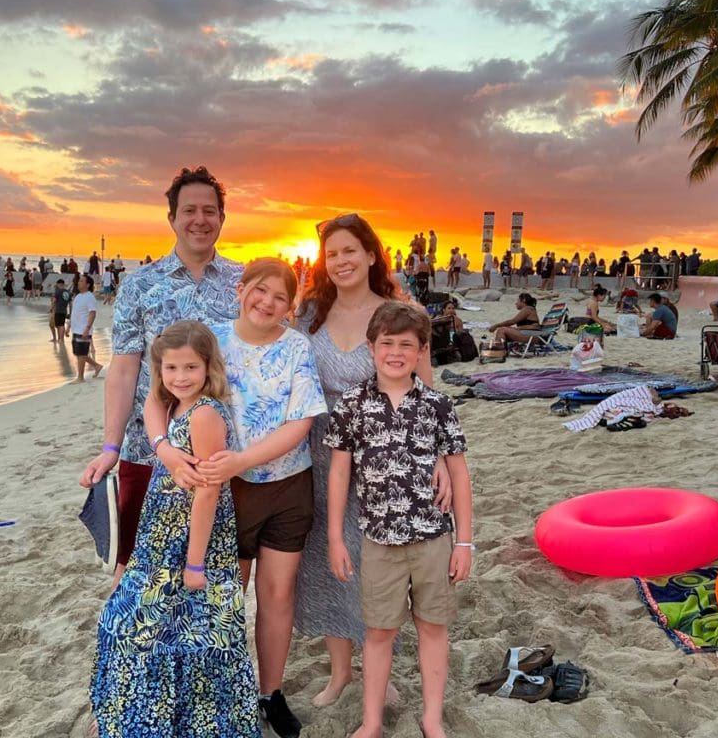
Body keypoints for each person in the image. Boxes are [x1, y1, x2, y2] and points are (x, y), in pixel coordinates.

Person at [143, 258, 327, 737]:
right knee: (227, 598)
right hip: (228, 495)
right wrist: (165, 451)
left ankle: (271, 692)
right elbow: (156, 398)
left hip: (289, 486)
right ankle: (226, 690)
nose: (267, 303)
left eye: (280, 298)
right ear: (241, 289)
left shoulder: (296, 347)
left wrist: (244, 459)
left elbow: (300, 422)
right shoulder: (212, 339)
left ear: (291, 306)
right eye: (260, 291)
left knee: (277, 593)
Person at [293, 213, 450, 712]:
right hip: (319, 456)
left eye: (349, 251)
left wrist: (441, 458)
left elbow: (428, 389)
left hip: (390, 459)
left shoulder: (398, 312)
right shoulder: (309, 314)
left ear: (370, 254)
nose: (340, 261)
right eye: (331, 253)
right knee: (326, 561)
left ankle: (376, 668)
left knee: (375, 561)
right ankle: (341, 672)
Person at [90, 321, 259, 737]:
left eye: (190, 368)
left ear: (208, 368)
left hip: (191, 540)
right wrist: (164, 448)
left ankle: (192, 724)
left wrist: (196, 563)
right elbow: (149, 403)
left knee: (192, 632)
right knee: (133, 622)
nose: (180, 377)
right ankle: (133, 715)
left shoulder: (204, 414)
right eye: (171, 369)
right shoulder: (170, 403)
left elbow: (209, 492)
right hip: (158, 532)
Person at [79, 166, 244, 585]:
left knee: (215, 571)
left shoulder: (243, 284)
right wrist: (110, 446)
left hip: (221, 453)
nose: (200, 220)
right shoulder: (140, 285)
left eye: (210, 211)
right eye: (189, 210)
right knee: (133, 572)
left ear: (222, 218)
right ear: (171, 218)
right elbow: (124, 367)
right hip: (148, 449)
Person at [326, 301, 472, 738]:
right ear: (370, 347)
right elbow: (339, 472)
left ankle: (432, 718)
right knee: (379, 632)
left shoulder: (438, 405)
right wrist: (335, 536)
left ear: (422, 350)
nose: (395, 352)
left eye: (406, 345)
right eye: (386, 343)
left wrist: (464, 541)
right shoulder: (352, 405)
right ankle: (371, 721)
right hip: (378, 542)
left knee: (433, 626)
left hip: (433, 539)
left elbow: (459, 473)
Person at [70, 274, 103, 382]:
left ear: (87, 285)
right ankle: (97, 366)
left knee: (81, 353)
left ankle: (80, 377)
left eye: (82, 281)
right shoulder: (78, 296)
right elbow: (74, 313)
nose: (79, 282)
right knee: (78, 353)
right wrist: (68, 326)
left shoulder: (90, 297)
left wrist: (87, 328)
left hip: (83, 329)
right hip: (76, 329)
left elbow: (92, 313)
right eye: (79, 281)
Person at [50, 278, 71, 343]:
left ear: (58, 284)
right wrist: (70, 311)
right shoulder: (67, 292)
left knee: (59, 325)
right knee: (61, 324)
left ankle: (60, 339)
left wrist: (51, 308)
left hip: (58, 310)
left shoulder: (58, 291)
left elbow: (54, 301)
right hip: (64, 311)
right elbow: (70, 303)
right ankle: (61, 339)